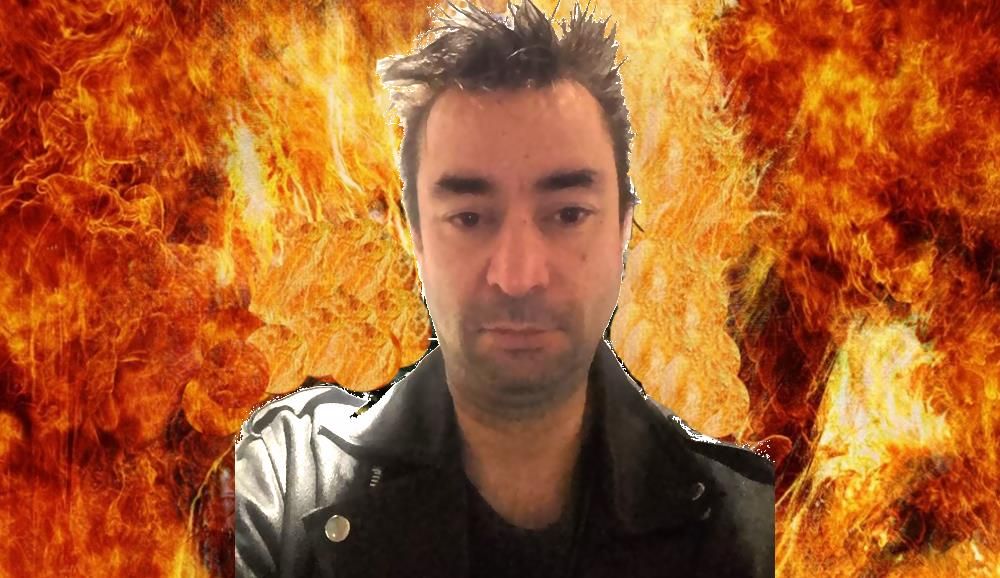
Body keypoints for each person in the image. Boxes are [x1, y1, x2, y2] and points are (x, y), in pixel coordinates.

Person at [235, 1, 775, 576]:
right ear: (416, 237)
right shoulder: (285, 484)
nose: (518, 277)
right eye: (469, 218)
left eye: (567, 214)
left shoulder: (751, 526)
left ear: (623, 230)